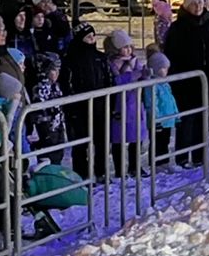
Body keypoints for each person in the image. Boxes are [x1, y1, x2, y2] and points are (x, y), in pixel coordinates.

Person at [163, 0, 209, 166]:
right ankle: (182, 157)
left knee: (202, 119)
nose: (197, 6)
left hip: (206, 78)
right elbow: (172, 54)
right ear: (186, 6)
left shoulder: (208, 24)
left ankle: (199, 156)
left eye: (199, 3)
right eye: (193, 3)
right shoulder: (178, 27)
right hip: (186, 80)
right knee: (186, 120)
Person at [61, 24, 113, 178]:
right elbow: (66, 83)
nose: (92, 39)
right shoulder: (70, 59)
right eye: (88, 37)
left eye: (93, 36)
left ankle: (101, 171)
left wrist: (109, 100)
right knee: (80, 143)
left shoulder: (100, 57)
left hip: (100, 105)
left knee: (102, 141)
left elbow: (108, 79)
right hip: (79, 107)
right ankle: (81, 174)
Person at [104, 30, 144, 177]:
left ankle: (135, 166)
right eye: (124, 47)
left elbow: (142, 76)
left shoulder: (135, 62)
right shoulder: (112, 64)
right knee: (119, 139)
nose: (128, 50)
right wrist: (133, 76)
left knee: (137, 137)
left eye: (129, 46)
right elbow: (116, 81)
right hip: (119, 105)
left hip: (135, 104)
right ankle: (120, 169)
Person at [27, 53, 68, 163]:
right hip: (47, 128)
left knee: (58, 152)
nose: (57, 73)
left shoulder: (55, 85)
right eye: (54, 70)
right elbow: (41, 109)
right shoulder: (41, 86)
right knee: (51, 155)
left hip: (57, 124)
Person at [146, 52, 178, 165]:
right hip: (158, 121)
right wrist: (155, 118)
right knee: (156, 143)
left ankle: (164, 161)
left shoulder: (165, 83)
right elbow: (151, 104)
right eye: (163, 68)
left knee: (165, 141)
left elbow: (171, 100)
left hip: (167, 119)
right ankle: (156, 163)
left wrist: (175, 114)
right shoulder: (151, 85)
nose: (166, 71)